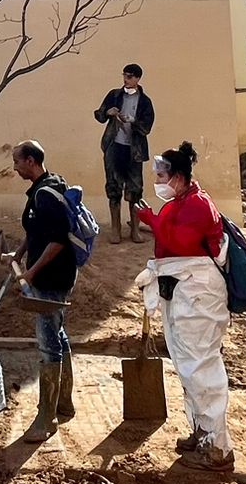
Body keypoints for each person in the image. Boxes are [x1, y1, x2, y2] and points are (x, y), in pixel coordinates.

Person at [133, 142, 235, 471]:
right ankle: (202, 431)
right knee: (187, 363)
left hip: (199, 293)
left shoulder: (197, 205)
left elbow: (181, 242)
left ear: (177, 177)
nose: (157, 181)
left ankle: (219, 446)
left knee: (201, 365)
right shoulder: (181, 201)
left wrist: (149, 217)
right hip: (182, 290)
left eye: (161, 175)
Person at [10, 140, 77, 446]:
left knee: (48, 343)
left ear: (31, 161)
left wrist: (30, 273)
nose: (15, 167)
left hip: (51, 280)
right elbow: (35, 230)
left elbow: (58, 240)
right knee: (58, 335)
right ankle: (64, 403)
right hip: (51, 276)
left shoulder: (45, 195)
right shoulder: (45, 188)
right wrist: (18, 253)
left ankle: (46, 418)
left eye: (18, 162)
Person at [93, 64, 154, 243]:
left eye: (129, 77)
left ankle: (135, 230)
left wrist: (133, 121)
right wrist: (108, 112)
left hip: (134, 150)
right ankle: (115, 229)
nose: (125, 80)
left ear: (137, 79)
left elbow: (147, 126)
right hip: (114, 146)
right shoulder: (114, 95)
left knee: (135, 190)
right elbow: (99, 115)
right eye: (124, 76)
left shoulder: (145, 101)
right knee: (113, 187)